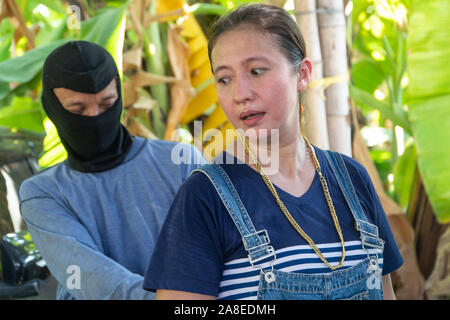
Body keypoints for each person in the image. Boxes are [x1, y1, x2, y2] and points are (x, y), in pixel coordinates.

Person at [143, 4, 403, 300]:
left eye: (256, 71)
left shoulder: (352, 180)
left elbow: (386, 293)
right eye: (224, 79)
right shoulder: (204, 197)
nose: (240, 93)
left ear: (302, 74)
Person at [18, 40, 205, 300]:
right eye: (78, 109)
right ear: (52, 108)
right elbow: (94, 279)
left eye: (106, 105)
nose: (95, 117)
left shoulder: (181, 162)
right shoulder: (43, 194)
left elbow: (217, 252)